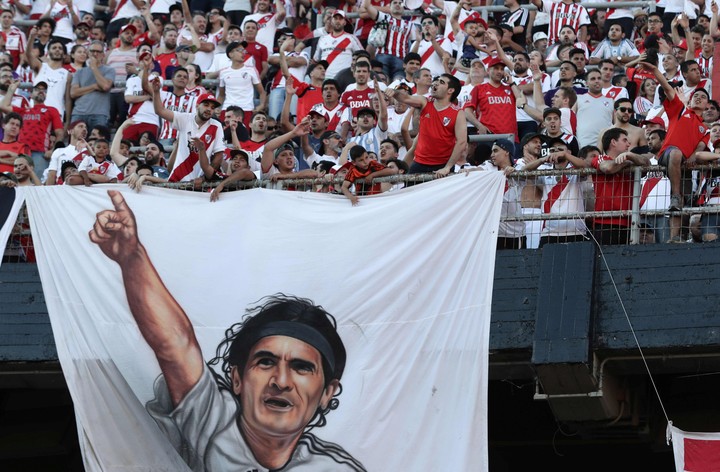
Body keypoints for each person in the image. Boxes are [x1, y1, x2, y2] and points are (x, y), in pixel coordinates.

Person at [89, 190, 366, 470]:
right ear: (236, 378)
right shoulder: (211, 423)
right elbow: (175, 343)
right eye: (265, 361)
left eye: (301, 367)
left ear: (328, 393)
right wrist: (132, 257)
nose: (281, 381)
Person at [386, 73, 466, 177]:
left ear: (450, 90)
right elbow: (406, 98)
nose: (435, 83)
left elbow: (461, 142)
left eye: (441, 82)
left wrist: (447, 167)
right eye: (436, 80)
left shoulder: (458, 113)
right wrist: (395, 93)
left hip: (442, 166)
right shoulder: (425, 102)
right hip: (419, 163)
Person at [151, 81, 225, 183]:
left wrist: (204, 179)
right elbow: (160, 111)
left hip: (199, 183)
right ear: (197, 106)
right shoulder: (185, 118)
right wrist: (156, 92)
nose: (209, 109)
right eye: (206, 105)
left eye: (212, 108)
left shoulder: (217, 126)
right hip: (177, 179)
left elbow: (218, 156)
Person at [590, 127, 650, 245]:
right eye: (624, 140)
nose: (629, 144)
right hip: (604, 221)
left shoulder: (631, 159)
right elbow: (607, 168)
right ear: (613, 142)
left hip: (629, 221)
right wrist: (626, 162)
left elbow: (647, 164)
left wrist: (629, 155)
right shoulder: (601, 158)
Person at [0, 80, 64, 177]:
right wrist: (11, 90)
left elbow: (60, 133)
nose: (41, 91)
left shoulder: (51, 110)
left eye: (44, 90)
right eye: (37, 89)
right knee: (17, 181)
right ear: (31, 93)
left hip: (39, 153)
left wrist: (53, 150)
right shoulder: (23, 111)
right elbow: (3, 106)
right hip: (21, 151)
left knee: (37, 184)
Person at [70, 40, 116, 129]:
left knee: (98, 142)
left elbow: (105, 86)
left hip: (99, 114)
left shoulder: (109, 70)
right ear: (88, 53)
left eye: (98, 52)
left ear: (103, 55)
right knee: (75, 142)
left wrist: (94, 67)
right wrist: (94, 86)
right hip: (78, 113)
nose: (95, 54)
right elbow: (73, 93)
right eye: (92, 51)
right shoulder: (79, 72)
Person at [314, 10, 363, 80]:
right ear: (331, 21)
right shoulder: (322, 39)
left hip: (345, 79)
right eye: (335, 18)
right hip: (325, 79)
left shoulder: (351, 38)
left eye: (340, 19)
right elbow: (316, 59)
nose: (338, 21)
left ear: (345, 22)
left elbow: (363, 56)